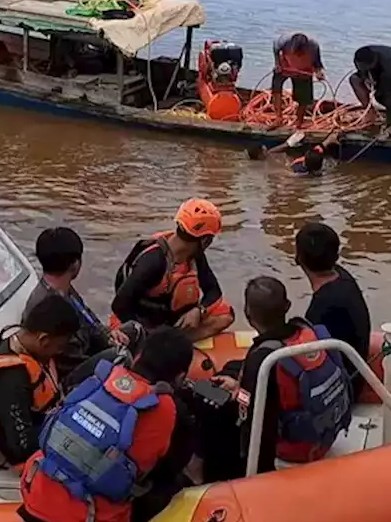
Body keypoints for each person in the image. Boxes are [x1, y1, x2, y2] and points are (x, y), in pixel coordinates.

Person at [18, 327, 197, 522]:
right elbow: (168, 469)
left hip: (35, 493)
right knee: (175, 487)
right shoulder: (168, 409)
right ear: (180, 377)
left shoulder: (103, 375)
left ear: (138, 356)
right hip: (87, 521)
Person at [203, 277, 352, 479]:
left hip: (294, 448)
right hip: (326, 434)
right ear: (288, 306)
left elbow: (251, 422)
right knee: (232, 368)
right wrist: (239, 387)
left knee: (212, 414)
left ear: (247, 315)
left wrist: (255, 474)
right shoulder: (311, 333)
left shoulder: (263, 360)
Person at [0, 294, 80, 465]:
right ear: (43, 340)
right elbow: (23, 447)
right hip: (34, 457)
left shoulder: (27, 347)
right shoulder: (10, 381)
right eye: (60, 347)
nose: (60, 353)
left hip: (53, 420)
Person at [111, 199, 234, 342]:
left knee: (226, 314)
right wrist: (145, 333)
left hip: (173, 320)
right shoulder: (154, 262)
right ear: (205, 240)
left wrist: (199, 311)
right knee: (129, 336)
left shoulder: (195, 256)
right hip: (143, 322)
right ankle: (165, 343)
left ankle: (176, 341)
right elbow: (119, 304)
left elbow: (214, 291)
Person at [26, 228, 134, 383]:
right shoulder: (48, 305)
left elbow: (89, 319)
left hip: (85, 346)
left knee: (133, 329)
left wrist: (109, 335)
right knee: (120, 355)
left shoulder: (65, 290)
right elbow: (67, 358)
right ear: (75, 264)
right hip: (71, 372)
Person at [295, 222, 370, 394]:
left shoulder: (321, 309)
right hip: (356, 371)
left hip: (344, 388)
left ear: (298, 258)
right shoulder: (342, 276)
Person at [350, 45, 391, 128]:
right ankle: (369, 111)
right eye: (360, 67)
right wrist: (365, 77)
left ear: (374, 62)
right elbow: (362, 72)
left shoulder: (389, 72)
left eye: (366, 68)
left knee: (381, 97)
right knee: (354, 79)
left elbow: (389, 96)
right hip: (380, 67)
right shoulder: (361, 55)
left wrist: (389, 125)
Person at [271, 33, 325, 129]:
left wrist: (319, 73)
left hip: (303, 70)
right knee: (276, 88)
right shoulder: (283, 41)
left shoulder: (313, 46)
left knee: (303, 97)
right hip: (286, 65)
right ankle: (278, 118)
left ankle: (298, 121)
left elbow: (317, 63)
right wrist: (277, 63)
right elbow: (276, 48)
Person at [254, 131, 342, 177]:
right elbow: (317, 151)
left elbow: (282, 172)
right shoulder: (322, 169)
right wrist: (329, 140)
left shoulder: (297, 172)